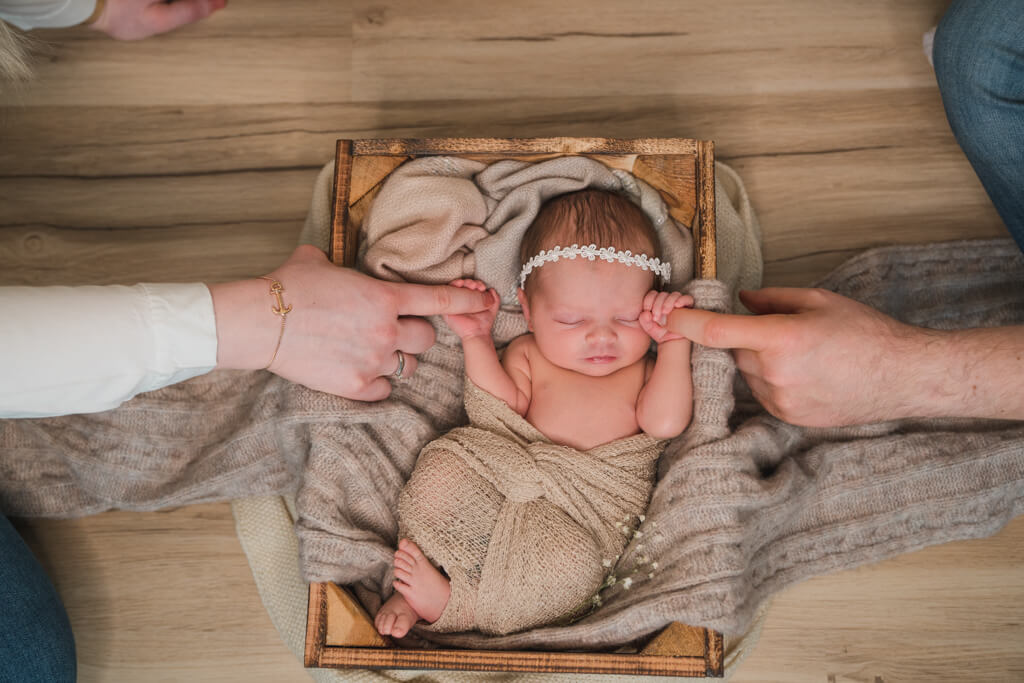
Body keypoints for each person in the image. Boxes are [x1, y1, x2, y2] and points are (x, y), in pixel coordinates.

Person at [374, 189, 694, 638]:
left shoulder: (645, 371)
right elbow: (495, 409)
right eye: (571, 321)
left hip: (581, 515)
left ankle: (457, 606)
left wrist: (676, 344)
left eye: (625, 319)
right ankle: (432, 581)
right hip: (504, 477)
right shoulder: (529, 353)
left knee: (575, 570)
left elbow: (665, 424)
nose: (601, 339)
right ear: (527, 309)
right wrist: (477, 339)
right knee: (441, 472)